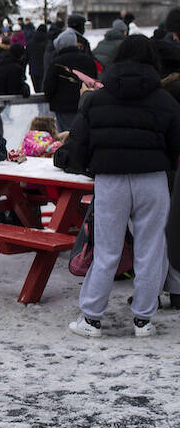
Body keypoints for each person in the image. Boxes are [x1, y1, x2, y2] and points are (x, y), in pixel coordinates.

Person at [65, 36, 180, 338]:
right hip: (152, 179)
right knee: (151, 248)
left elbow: (79, 144)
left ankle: (91, 318)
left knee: (107, 249)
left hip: (111, 179)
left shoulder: (96, 99)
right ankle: (143, 319)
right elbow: (176, 144)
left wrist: (87, 164)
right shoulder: (165, 100)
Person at [44, 30, 99, 131]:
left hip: (63, 108)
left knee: (66, 137)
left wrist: (51, 99)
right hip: (86, 105)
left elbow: (48, 87)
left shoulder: (56, 63)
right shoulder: (88, 61)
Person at [27, 24, 49, 93]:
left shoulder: (30, 43)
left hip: (33, 70)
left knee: (37, 91)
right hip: (44, 70)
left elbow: (26, 57)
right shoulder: (48, 43)